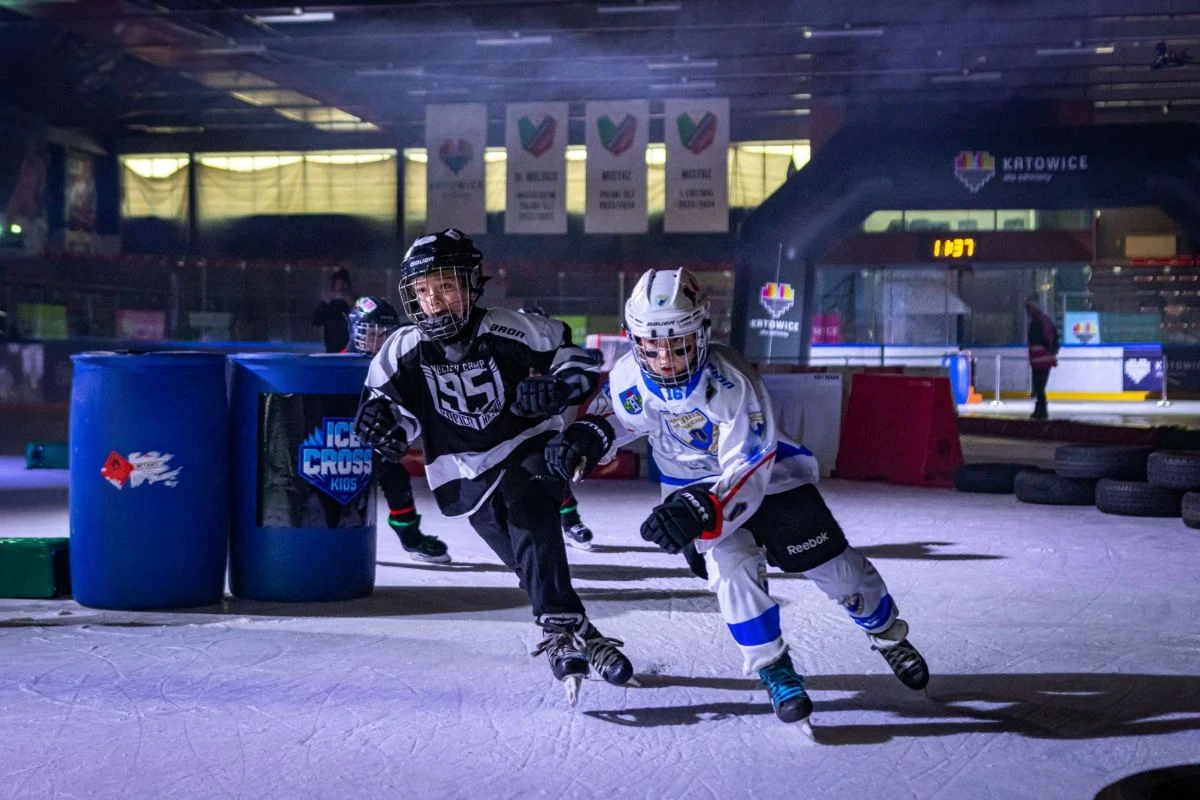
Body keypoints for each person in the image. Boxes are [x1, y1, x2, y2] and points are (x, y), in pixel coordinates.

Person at [545, 268, 929, 725]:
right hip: (692, 491)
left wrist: (702, 506)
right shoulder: (631, 375)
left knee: (837, 569)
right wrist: (590, 436)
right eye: (652, 346)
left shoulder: (732, 381)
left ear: (703, 333)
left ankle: (887, 634)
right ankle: (774, 668)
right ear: (635, 341)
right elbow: (623, 418)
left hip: (772, 479)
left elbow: (749, 465)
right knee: (731, 572)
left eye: (679, 344)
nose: (665, 360)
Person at [354, 228, 633, 702]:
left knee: (531, 519)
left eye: (445, 287)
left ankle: (561, 634)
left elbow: (578, 361)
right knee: (530, 564)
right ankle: (585, 633)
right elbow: (390, 411)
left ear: (471, 285)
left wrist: (560, 388)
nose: (434, 302)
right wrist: (384, 428)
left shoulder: (512, 328)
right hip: (464, 470)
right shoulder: (401, 349)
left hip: (527, 445)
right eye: (423, 291)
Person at [347, 296, 451, 564]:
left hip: (375, 441)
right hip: (336, 446)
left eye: (384, 334)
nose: (378, 340)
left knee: (395, 476)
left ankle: (409, 535)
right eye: (371, 333)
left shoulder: (397, 362)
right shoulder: (339, 362)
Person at [517, 305, 595, 551]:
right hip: (510, 434)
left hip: (548, 429)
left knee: (554, 471)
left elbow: (582, 376)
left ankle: (569, 521)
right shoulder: (508, 352)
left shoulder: (558, 350)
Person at [1025, 295, 1059, 420]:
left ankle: (1041, 410)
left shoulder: (1037, 321)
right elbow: (1054, 337)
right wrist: (1053, 351)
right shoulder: (1045, 320)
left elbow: (1036, 339)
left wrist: (1047, 348)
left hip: (1040, 360)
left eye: (1028, 308)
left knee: (1039, 386)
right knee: (1040, 386)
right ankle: (1040, 409)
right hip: (1043, 359)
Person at [312, 268, 354, 353]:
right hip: (331, 349)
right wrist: (325, 303)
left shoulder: (354, 301)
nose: (341, 286)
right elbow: (315, 321)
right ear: (334, 284)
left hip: (350, 349)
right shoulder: (329, 303)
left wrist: (351, 303)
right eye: (338, 283)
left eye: (344, 283)